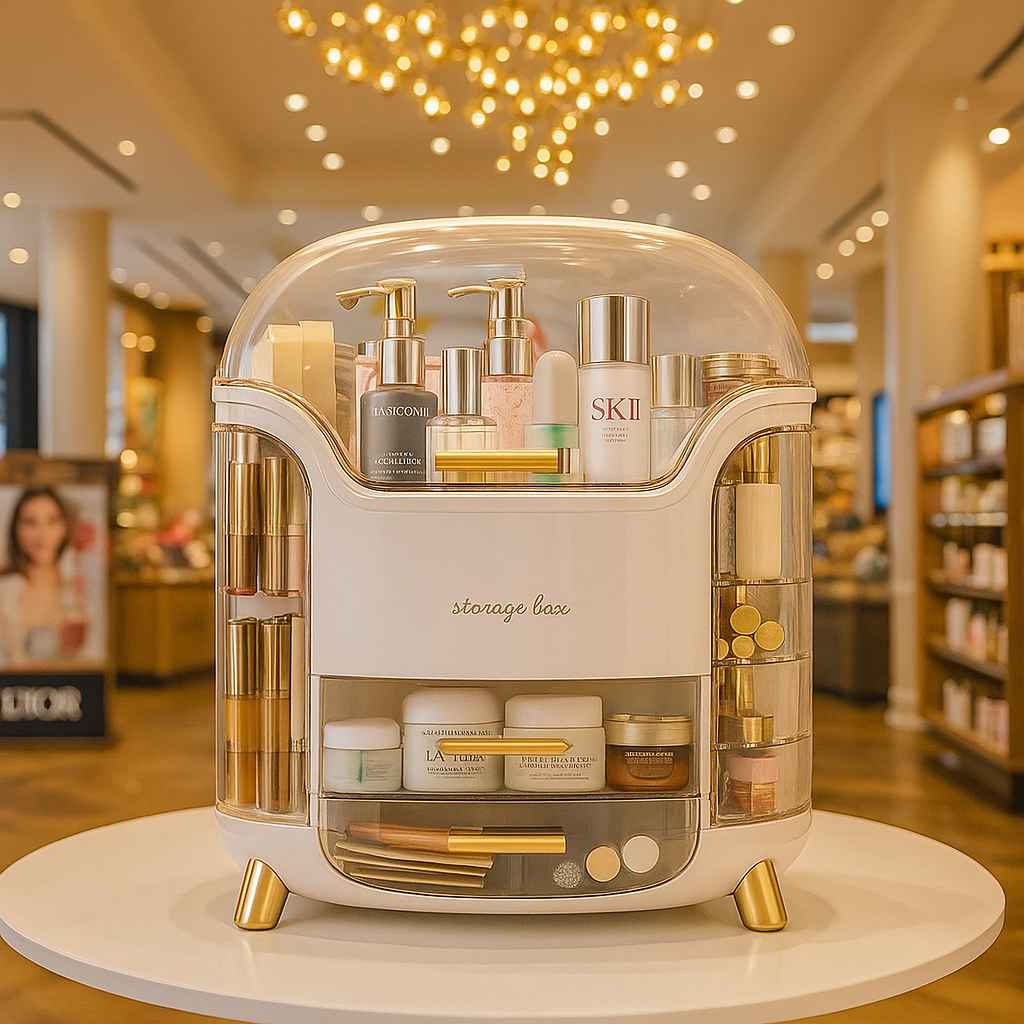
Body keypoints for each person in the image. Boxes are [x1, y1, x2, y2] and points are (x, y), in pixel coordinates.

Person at [0, 487, 87, 667]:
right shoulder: (5, 589)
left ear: (65, 527)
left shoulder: (79, 589)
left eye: (52, 521)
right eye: (30, 522)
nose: (41, 533)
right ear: (16, 529)